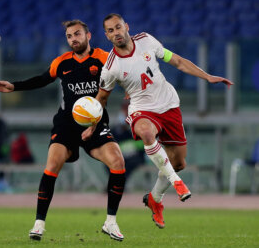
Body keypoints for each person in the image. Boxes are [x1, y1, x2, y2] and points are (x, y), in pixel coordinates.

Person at [82, 13, 233, 229]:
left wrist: (207, 76)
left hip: (169, 105)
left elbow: (178, 62)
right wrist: (92, 126)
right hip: (142, 110)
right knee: (145, 132)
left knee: (179, 162)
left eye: (118, 27)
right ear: (106, 35)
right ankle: (176, 183)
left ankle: (154, 199)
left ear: (127, 26)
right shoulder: (111, 67)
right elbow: (101, 99)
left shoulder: (146, 40)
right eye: (110, 30)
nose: (116, 33)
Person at [0, 20, 126, 241]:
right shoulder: (61, 62)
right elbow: (41, 80)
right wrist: (15, 86)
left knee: (118, 163)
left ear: (88, 35)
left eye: (77, 34)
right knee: (52, 165)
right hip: (66, 125)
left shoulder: (103, 58)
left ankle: (110, 222)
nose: (74, 39)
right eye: (69, 36)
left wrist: (131, 92)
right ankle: (38, 224)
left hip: (96, 123)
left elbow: (124, 76)